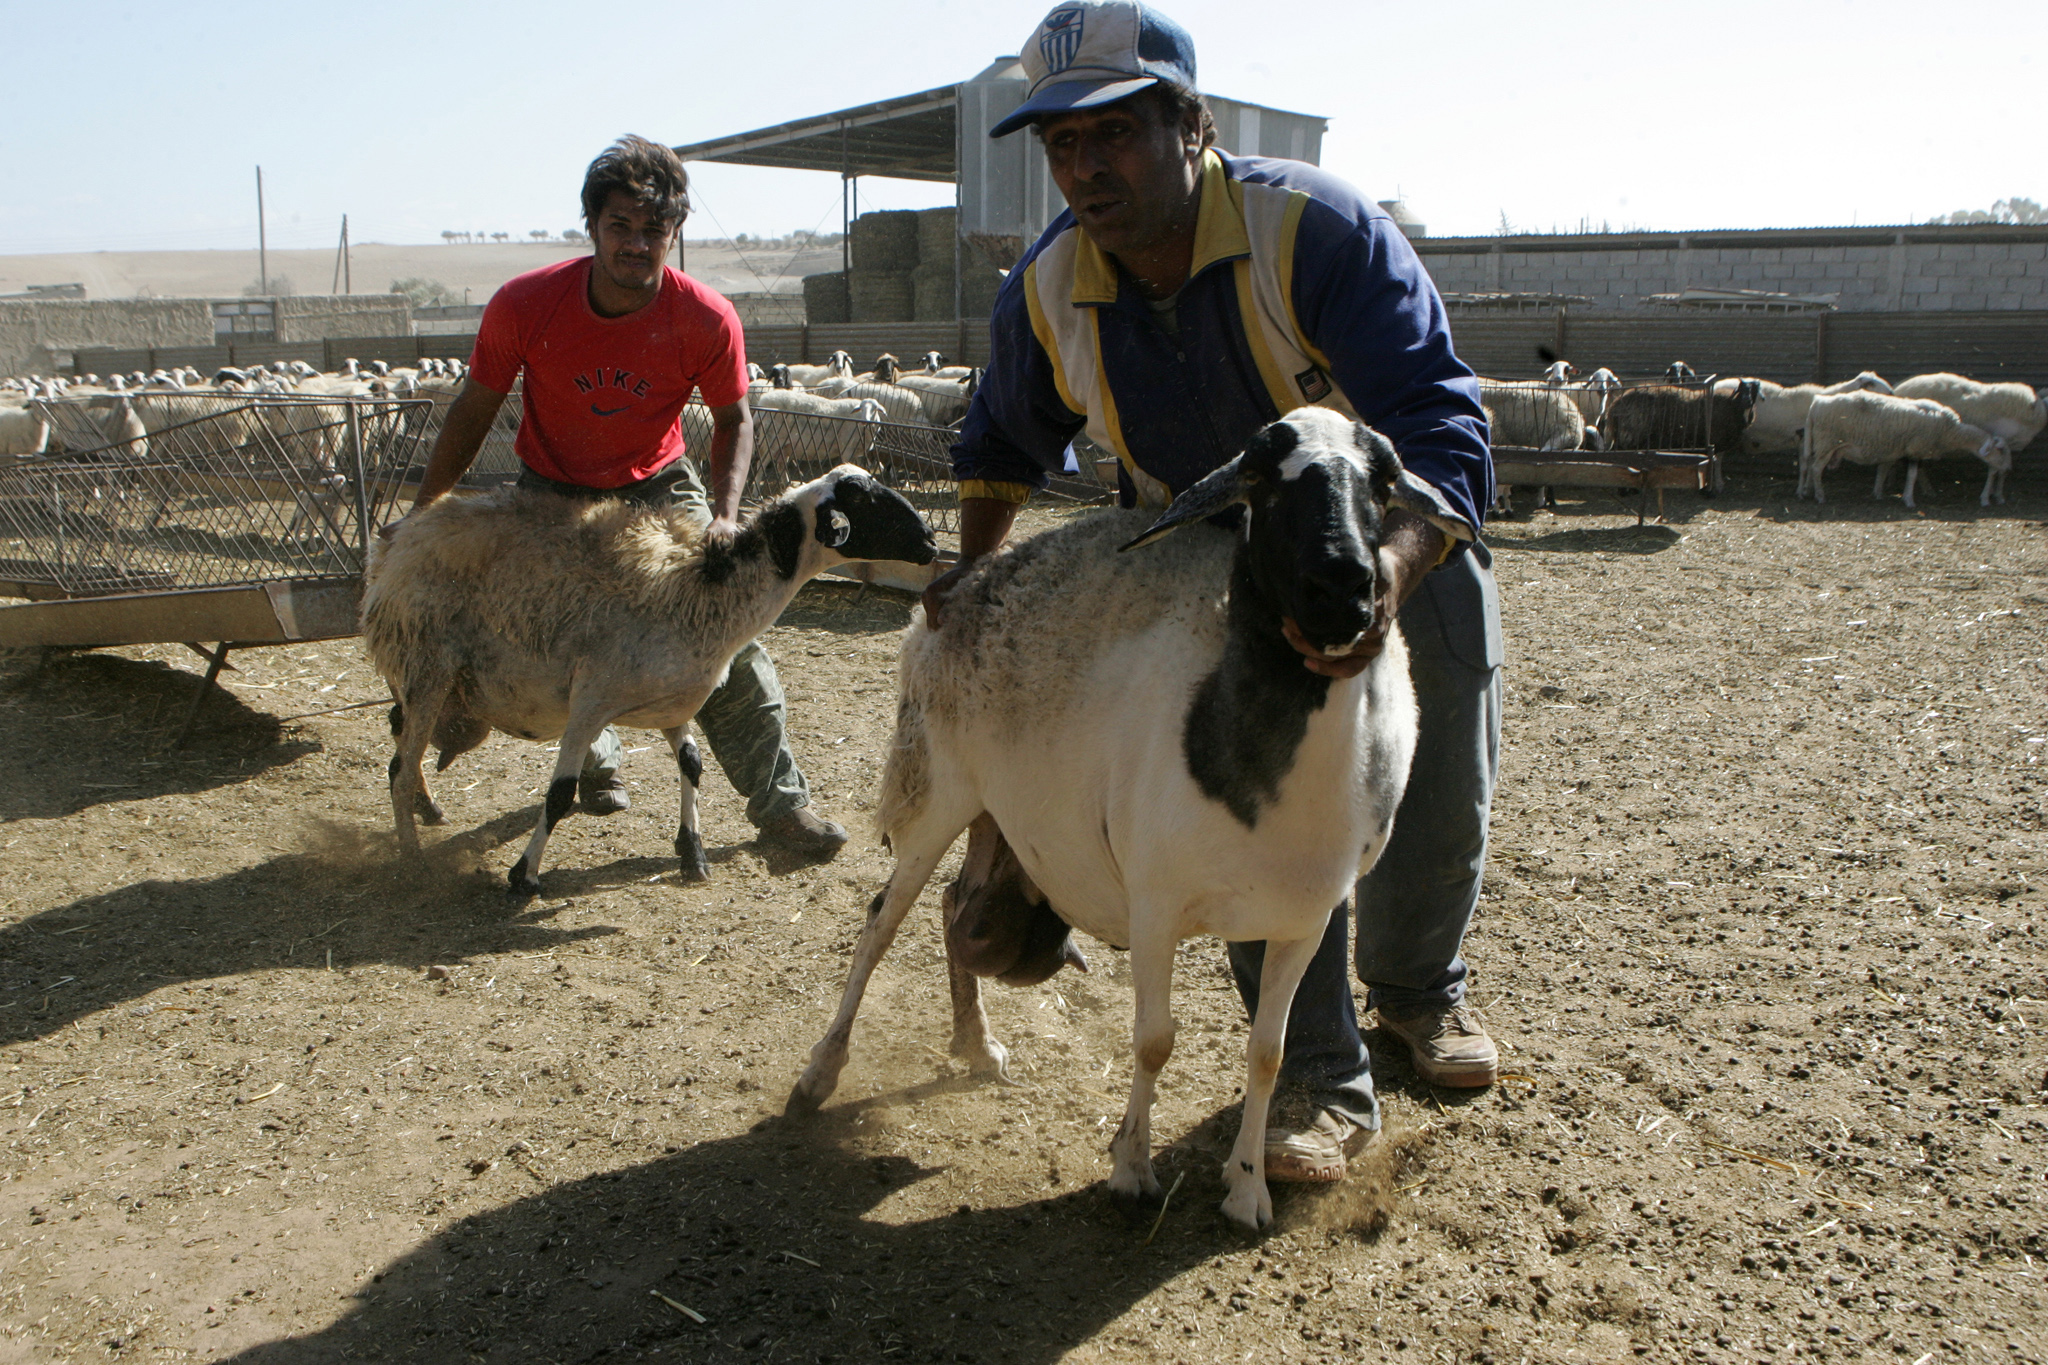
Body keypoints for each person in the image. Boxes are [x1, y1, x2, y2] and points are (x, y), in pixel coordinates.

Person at [928, 1, 1504, 1183]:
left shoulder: (1316, 233)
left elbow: (1441, 427)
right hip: (1200, 553)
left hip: (1373, 530)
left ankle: (1416, 993)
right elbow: (1000, 442)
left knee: (1434, 734)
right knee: (1236, 788)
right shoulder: (1048, 288)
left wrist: (1393, 574)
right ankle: (1317, 1075)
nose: (1084, 170)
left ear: (1189, 124)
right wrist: (974, 585)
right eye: (1061, 147)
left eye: (1113, 136)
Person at [403, 135, 849, 861]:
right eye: (621, 227)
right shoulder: (527, 304)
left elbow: (735, 419)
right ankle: (596, 762)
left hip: (657, 483)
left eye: (654, 231)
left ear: (675, 234)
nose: (636, 246)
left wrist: (728, 518)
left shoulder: (705, 318)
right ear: (592, 228)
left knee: (728, 628)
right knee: (555, 625)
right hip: (553, 488)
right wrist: (427, 511)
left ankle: (782, 804)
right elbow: (475, 405)